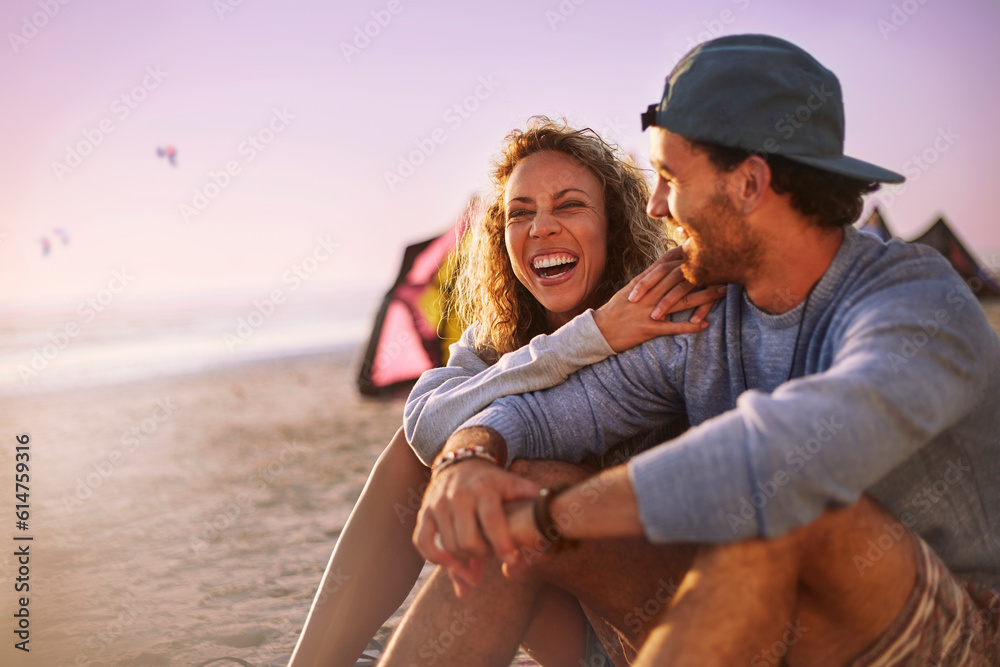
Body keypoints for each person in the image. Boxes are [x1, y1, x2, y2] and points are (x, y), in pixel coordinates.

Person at [383, 35, 1000, 666]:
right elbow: (549, 413)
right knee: (517, 484)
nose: (654, 207)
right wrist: (470, 461)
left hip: (956, 629)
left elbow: (781, 459)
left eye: (671, 179)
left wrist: (553, 518)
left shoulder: (915, 304)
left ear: (749, 184)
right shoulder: (704, 312)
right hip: (763, 619)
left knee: (793, 512)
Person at [284, 117, 724, 667]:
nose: (540, 228)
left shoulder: (658, 314)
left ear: (614, 224)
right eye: (521, 213)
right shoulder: (498, 335)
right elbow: (423, 423)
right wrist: (591, 336)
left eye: (568, 206)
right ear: (502, 235)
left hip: (654, 619)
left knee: (521, 485)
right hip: (572, 630)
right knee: (412, 456)